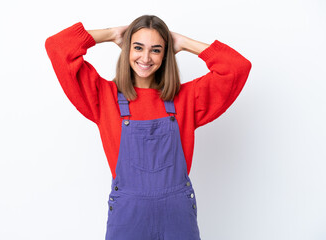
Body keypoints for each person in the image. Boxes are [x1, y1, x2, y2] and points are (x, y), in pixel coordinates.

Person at [45, 15, 251, 240]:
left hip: (177, 216)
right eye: (138, 47)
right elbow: (58, 46)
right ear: (127, 50)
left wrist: (182, 42)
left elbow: (237, 67)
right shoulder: (104, 97)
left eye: (155, 50)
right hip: (128, 217)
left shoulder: (187, 98)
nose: (145, 57)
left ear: (165, 55)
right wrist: (111, 33)